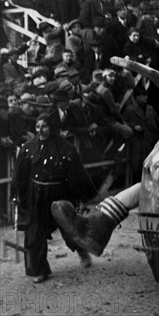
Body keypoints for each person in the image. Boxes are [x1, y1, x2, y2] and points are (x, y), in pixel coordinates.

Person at [10, 114, 98, 283]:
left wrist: (83, 197)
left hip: (59, 194)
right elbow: (19, 175)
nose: (40, 130)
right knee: (34, 233)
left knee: (69, 227)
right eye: (37, 127)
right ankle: (39, 270)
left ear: (52, 127)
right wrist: (16, 195)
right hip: (36, 195)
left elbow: (77, 174)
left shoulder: (66, 148)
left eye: (44, 126)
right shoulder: (28, 148)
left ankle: (81, 250)